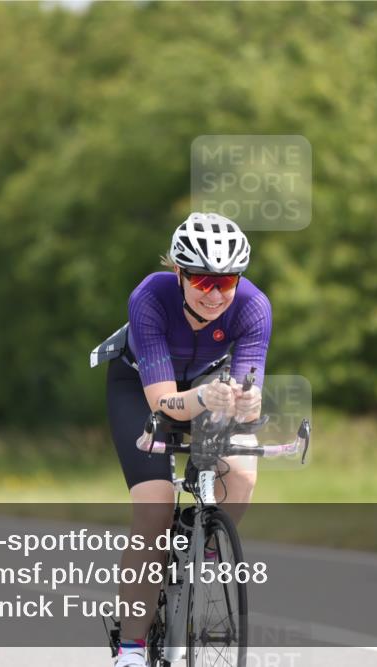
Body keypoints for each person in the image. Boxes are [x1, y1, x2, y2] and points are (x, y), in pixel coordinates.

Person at [91, 212, 271, 667]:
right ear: (179, 273)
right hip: (141, 387)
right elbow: (163, 404)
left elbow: (251, 385)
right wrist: (204, 399)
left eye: (226, 283)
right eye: (203, 283)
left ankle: (204, 542)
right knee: (154, 508)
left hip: (210, 386)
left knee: (244, 474)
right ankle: (131, 647)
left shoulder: (253, 307)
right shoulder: (150, 297)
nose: (215, 295)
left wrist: (248, 404)